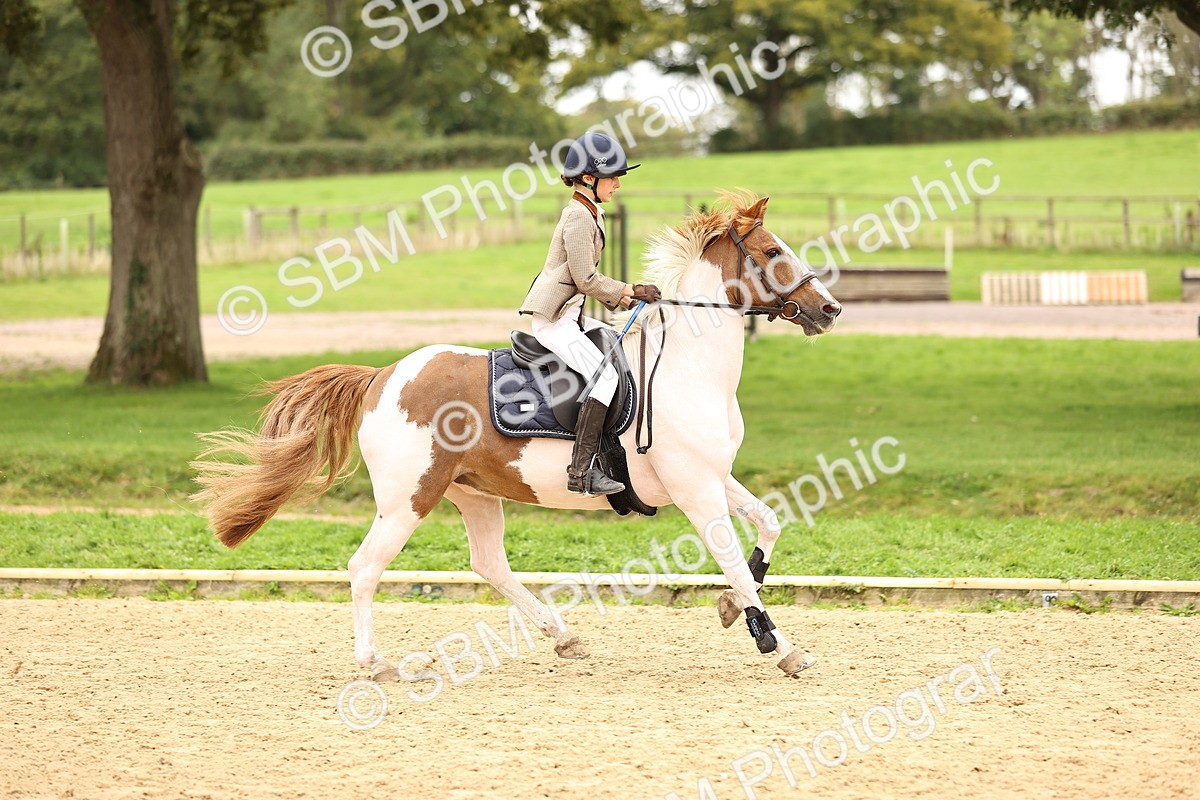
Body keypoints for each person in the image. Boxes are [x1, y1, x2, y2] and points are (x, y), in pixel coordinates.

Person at [518, 132, 661, 495]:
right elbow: (585, 278)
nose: (617, 184)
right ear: (587, 178)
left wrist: (630, 301)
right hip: (555, 321)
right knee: (606, 380)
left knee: (623, 345)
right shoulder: (579, 216)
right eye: (612, 177)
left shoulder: (589, 210)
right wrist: (630, 289)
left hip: (574, 316)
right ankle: (580, 473)